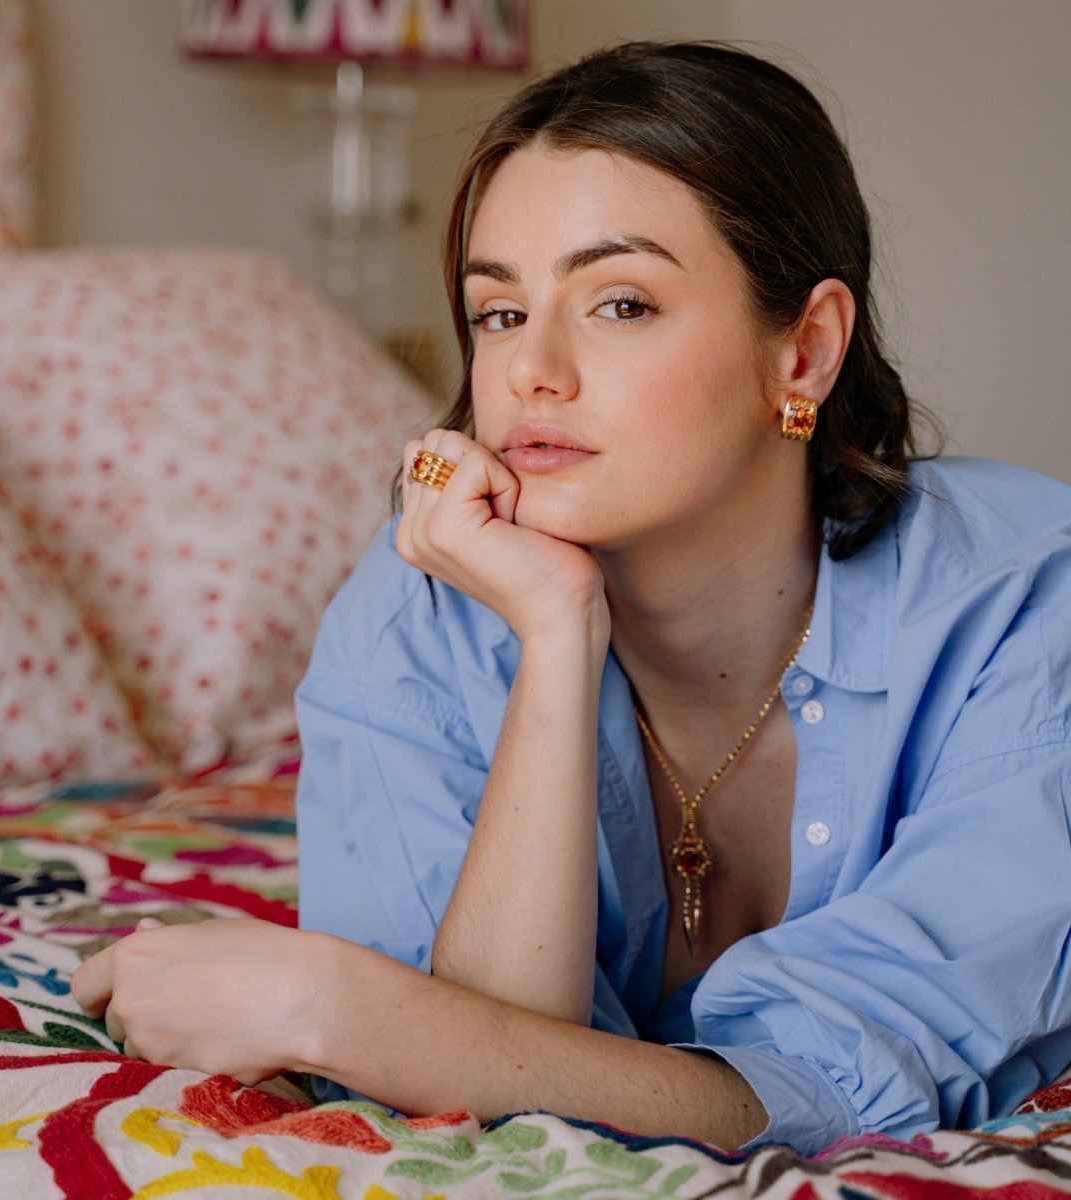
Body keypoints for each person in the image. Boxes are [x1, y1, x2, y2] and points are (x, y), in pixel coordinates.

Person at [71, 41, 1071, 1156]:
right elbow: (492, 1111)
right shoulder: (419, 611)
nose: (531, 370)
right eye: (498, 313)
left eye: (621, 303)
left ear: (806, 351)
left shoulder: (1026, 606)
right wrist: (555, 631)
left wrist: (338, 1009)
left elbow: (840, 1088)